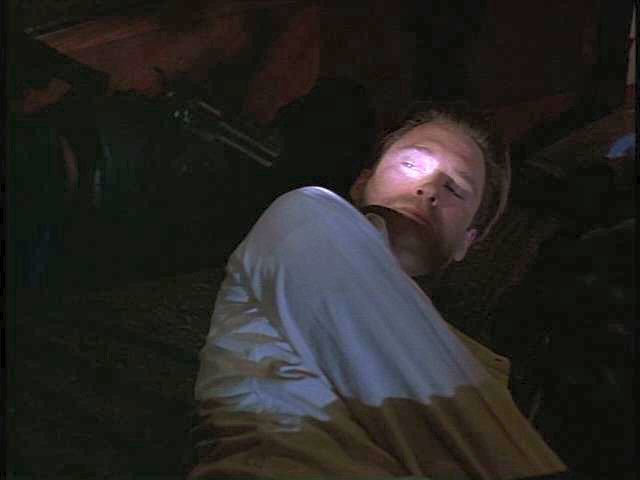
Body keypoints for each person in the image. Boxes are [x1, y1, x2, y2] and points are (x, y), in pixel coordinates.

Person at [190, 102, 568, 479]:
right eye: (411, 164)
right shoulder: (304, 218)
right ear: (362, 182)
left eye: (454, 188)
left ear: (466, 242)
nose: (429, 189)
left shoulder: (483, 367)